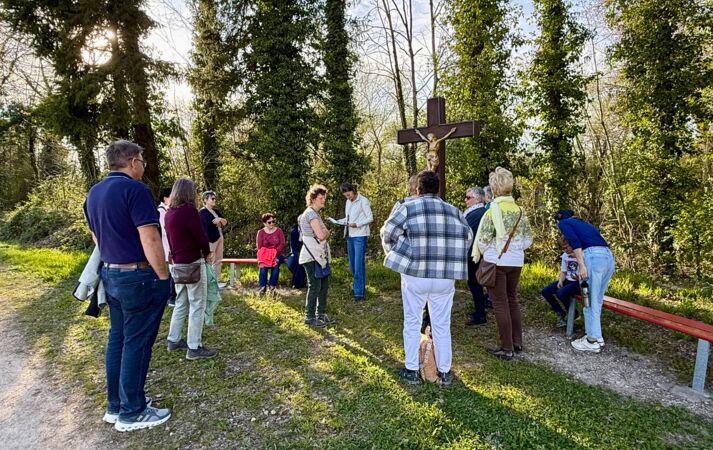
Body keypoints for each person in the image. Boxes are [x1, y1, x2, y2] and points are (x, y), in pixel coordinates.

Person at [84, 140, 171, 431]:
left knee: (118, 339)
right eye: (142, 161)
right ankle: (132, 411)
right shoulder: (135, 190)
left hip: (111, 273)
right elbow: (150, 237)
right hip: (139, 276)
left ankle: (115, 405)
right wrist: (163, 276)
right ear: (133, 162)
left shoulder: (94, 193)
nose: (143, 166)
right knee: (137, 342)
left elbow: (96, 237)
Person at [381, 171, 473, 386]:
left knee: (412, 321)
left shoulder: (408, 207)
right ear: (437, 189)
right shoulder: (454, 211)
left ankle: (412, 370)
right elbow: (468, 238)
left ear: (418, 189)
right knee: (442, 324)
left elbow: (387, 232)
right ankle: (445, 372)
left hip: (415, 273)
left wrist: (398, 253)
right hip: (445, 275)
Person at [473, 167, 533, 361]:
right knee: (512, 299)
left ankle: (507, 348)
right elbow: (528, 241)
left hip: (496, 261)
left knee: (499, 303)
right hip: (516, 261)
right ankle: (517, 342)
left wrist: (492, 251)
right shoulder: (520, 211)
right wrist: (514, 248)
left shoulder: (492, 212)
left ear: (494, 189)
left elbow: (482, 241)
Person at [165, 178, 217, 361]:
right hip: (193, 262)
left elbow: (170, 240)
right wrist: (207, 252)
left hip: (177, 263)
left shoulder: (169, 213)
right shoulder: (189, 211)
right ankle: (194, 346)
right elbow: (200, 236)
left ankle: (173, 339)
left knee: (181, 301)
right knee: (197, 304)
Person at [556, 209, 615, 353]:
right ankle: (597, 336)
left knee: (588, 300)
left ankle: (591, 341)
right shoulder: (584, 224)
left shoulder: (564, 223)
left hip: (592, 258)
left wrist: (582, 265)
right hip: (608, 257)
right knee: (597, 300)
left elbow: (575, 243)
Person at [328, 183, 373, 302]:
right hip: (349, 235)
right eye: (345, 196)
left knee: (358, 265)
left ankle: (359, 294)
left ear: (353, 190)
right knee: (352, 266)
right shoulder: (348, 202)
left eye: (349, 195)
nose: (348, 197)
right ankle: (359, 288)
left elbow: (370, 218)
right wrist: (338, 221)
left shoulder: (363, 201)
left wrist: (357, 224)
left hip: (360, 236)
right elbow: (348, 219)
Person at [299, 184, 334, 328]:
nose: (323, 200)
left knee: (324, 285)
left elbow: (324, 233)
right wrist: (325, 233)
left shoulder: (315, 214)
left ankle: (321, 315)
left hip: (319, 255)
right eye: (321, 198)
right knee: (315, 286)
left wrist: (325, 233)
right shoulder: (311, 214)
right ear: (313, 199)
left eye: (324, 198)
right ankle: (309, 317)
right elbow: (321, 234)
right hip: (311, 256)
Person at [541, 237, 581, 328]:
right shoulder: (565, 256)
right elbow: (563, 271)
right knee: (546, 291)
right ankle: (560, 312)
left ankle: (574, 314)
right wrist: (560, 281)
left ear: (572, 245)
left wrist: (579, 278)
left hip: (578, 283)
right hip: (568, 280)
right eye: (563, 248)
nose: (565, 250)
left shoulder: (582, 254)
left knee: (560, 293)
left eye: (566, 247)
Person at [463, 187, 488, 326]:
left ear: (477, 199)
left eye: (468, 198)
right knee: (475, 283)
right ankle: (480, 311)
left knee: (474, 283)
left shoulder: (477, 213)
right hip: (475, 253)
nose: (465, 200)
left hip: (473, 254)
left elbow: (466, 233)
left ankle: (480, 314)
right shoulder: (478, 212)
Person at [199, 191, 227, 283]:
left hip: (219, 237)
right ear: (205, 200)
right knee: (209, 261)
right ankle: (208, 281)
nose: (214, 200)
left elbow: (225, 222)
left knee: (218, 260)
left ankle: (217, 280)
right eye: (212, 198)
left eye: (215, 198)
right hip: (210, 240)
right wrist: (218, 223)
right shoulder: (202, 212)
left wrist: (220, 219)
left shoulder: (216, 211)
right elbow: (206, 226)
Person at [256, 213, 286, 295]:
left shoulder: (279, 231)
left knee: (275, 264)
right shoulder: (261, 232)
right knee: (263, 266)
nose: (272, 223)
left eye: (273, 221)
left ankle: (272, 286)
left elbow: (282, 244)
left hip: (278, 254)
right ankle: (263, 287)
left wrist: (274, 254)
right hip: (265, 255)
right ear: (264, 223)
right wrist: (268, 255)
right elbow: (259, 247)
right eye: (269, 222)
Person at [158, 187, 177, 307]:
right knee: (171, 272)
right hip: (166, 246)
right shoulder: (161, 211)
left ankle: (171, 296)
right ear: (165, 198)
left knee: (172, 272)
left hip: (170, 246)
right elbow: (164, 230)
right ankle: (170, 297)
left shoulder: (168, 210)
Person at [286, 221, 307, 288]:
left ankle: (296, 283)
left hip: (306, 253)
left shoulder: (308, 230)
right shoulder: (294, 232)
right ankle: (301, 281)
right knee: (292, 263)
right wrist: (297, 255)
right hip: (295, 253)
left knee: (300, 263)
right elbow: (293, 246)